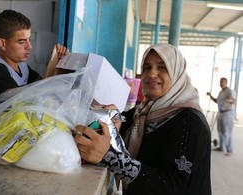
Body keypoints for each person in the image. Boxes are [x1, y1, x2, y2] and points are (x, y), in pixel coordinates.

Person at [74, 43, 211, 195]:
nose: (152, 74)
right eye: (147, 67)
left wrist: (109, 157)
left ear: (177, 73)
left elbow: (171, 186)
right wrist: (111, 117)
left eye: (162, 67)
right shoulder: (143, 112)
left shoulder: (190, 122)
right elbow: (121, 121)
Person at [0, 9, 69, 120]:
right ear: (2, 43)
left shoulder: (21, 65)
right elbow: (19, 101)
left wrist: (58, 64)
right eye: (21, 41)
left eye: (29, 40)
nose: (29, 46)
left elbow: (42, 86)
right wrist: (52, 69)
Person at [207, 78, 236, 156]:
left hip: (228, 113)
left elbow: (233, 101)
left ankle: (230, 149)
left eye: (222, 82)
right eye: (220, 82)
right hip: (220, 112)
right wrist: (210, 95)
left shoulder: (230, 91)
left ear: (226, 82)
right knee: (220, 130)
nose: (221, 83)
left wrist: (229, 100)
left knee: (227, 132)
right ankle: (221, 146)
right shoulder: (221, 92)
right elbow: (217, 101)